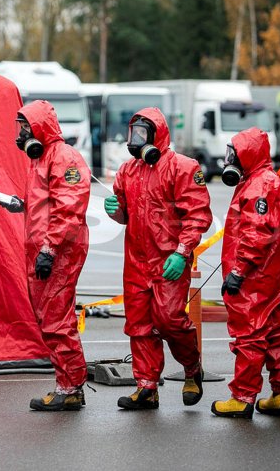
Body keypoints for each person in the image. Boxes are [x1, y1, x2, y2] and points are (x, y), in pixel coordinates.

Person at [104, 108, 212, 410]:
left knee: (170, 321)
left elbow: (197, 215)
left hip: (169, 260)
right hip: (136, 261)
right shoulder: (127, 171)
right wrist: (115, 210)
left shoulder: (183, 167)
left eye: (141, 134)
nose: (135, 140)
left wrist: (182, 252)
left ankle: (192, 369)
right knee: (139, 326)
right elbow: (124, 216)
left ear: (157, 135)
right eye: (132, 134)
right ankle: (147, 387)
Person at [0, 100, 91, 411]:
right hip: (45, 250)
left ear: (39, 127)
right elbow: (47, 204)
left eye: (25, 126)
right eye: (20, 126)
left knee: (56, 319)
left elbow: (69, 209)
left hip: (59, 252)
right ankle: (68, 383)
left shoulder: (63, 157)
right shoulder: (40, 160)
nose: (21, 133)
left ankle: (71, 387)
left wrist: (50, 249)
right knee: (49, 318)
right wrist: (20, 204)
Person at [211, 127, 280, 419]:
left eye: (233, 154)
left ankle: (243, 397)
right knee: (274, 332)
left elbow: (257, 233)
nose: (229, 161)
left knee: (249, 335)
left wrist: (238, 271)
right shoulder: (267, 182)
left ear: (247, 154)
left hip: (255, 278)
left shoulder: (259, 186)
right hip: (269, 276)